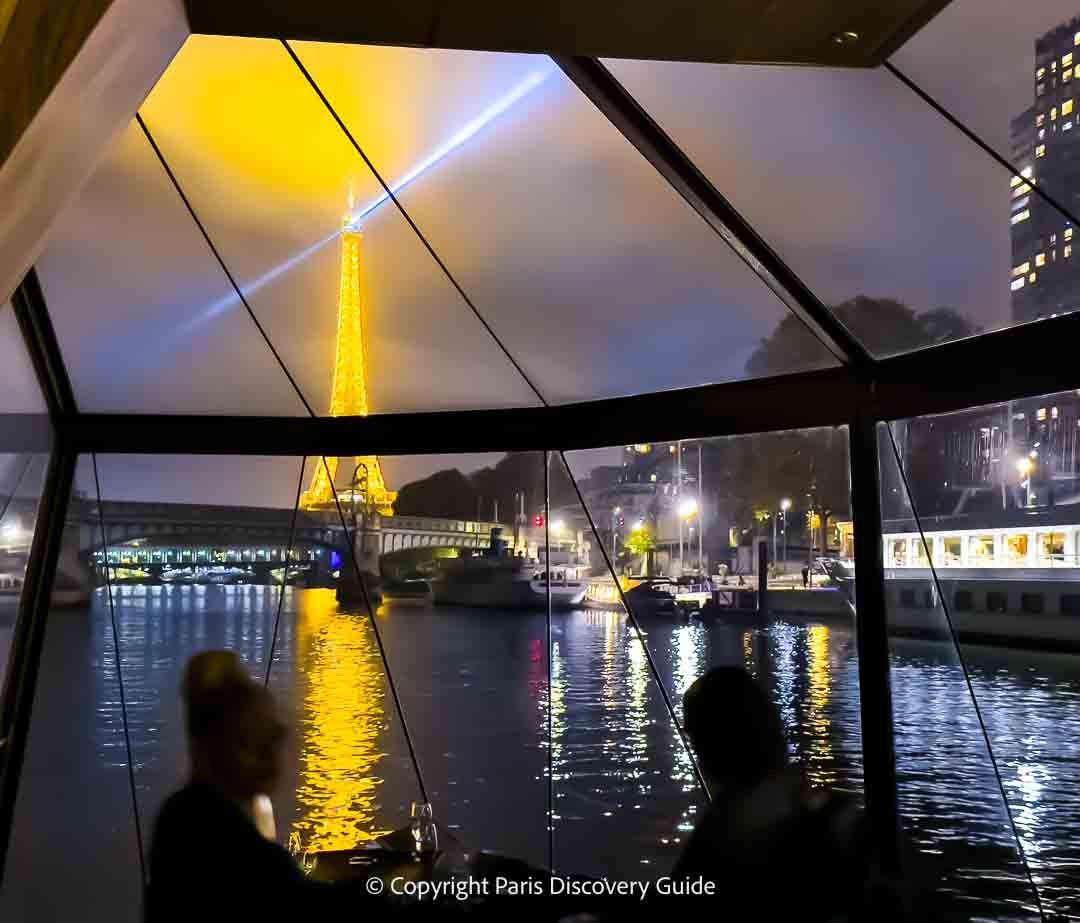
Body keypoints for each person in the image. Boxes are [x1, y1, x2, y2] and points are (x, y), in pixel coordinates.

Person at [145, 651, 382, 921]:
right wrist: (388, 888)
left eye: (275, 737)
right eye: (252, 743)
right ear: (215, 747)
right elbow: (312, 905)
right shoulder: (242, 851)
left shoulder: (178, 815)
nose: (270, 755)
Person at [671, 667, 908, 921]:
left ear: (711, 742)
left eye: (692, 734)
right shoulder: (831, 812)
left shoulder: (722, 831)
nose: (693, 746)